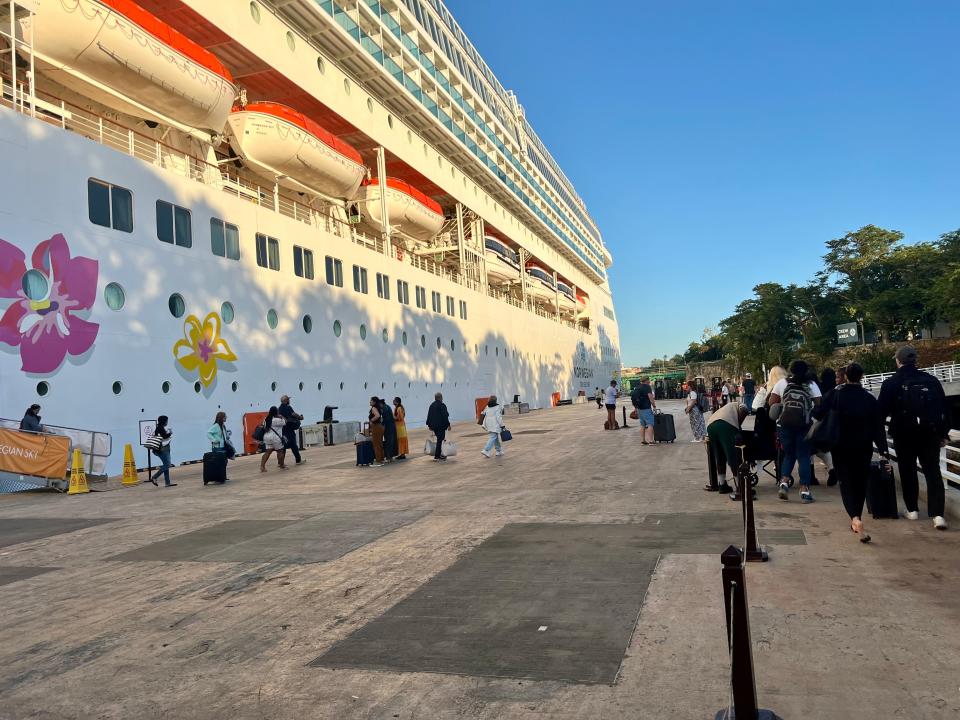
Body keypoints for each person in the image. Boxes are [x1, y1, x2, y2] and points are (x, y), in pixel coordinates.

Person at [878, 345, 949, 530]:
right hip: (929, 432)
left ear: (897, 360)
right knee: (933, 471)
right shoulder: (931, 380)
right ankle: (938, 515)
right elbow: (943, 409)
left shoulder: (891, 382)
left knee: (907, 470)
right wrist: (943, 434)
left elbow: (880, 411)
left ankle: (912, 510)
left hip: (904, 433)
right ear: (915, 360)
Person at [816, 363, 888, 542]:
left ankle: (855, 519)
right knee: (860, 482)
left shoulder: (835, 394)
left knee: (846, 482)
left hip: (840, 446)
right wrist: (883, 450)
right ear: (861, 377)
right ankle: (858, 516)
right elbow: (878, 427)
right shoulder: (869, 399)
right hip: (863, 446)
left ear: (845, 376)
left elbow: (817, 413)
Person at [769, 360, 821, 504]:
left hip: (784, 425)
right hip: (804, 425)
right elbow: (819, 404)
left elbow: (771, 403)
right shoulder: (811, 385)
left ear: (790, 370)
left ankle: (784, 483)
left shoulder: (781, 383)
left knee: (789, 454)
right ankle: (804, 490)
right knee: (803, 456)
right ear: (806, 370)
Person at [706, 402, 749, 494]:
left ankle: (722, 485)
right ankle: (739, 486)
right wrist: (738, 427)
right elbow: (744, 410)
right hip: (725, 424)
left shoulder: (727, 408)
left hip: (711, 425)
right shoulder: (741, 405)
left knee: (719, 455)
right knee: (733, 455)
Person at [206, 411, 233, 484]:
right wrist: (214, 440)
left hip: (223, 446)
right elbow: (208, 433)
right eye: (225, 417)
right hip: (217, 447)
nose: (226, 418)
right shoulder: (216, 426)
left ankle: (222, 476)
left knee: (224, 461)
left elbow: (224, 435)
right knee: (218, 462)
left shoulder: (223, 425)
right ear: (221, 418)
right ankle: (218, 477)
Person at [149, 415, 176, 487]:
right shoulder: (160, 428)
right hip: (163, 449)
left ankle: (167, 482)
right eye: (166, 421)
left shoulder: (159, 428)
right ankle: (154, 477)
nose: (167, 422)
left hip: (163, 449)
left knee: (165, 465)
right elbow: (165, 436)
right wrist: (170, 433)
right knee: (167, 464)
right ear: (164, 421)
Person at [278, 395, 304, 465]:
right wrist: (300, 417)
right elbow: (294, 414)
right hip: (289, 429)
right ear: (286, 401)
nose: (289, 401)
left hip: (282, 430)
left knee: (283, 446)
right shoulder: (288, 407)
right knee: (293, 445)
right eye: (288, 400)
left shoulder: (279, 409)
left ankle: (280, 462)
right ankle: (298, 460)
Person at [260, 406, 287, 472]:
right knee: (280, 451)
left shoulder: (266, 418)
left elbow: (263, 425)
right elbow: (285, 422)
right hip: (275, 438)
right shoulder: (277, 419)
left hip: (267, 437)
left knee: (267, 452)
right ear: (276, 412)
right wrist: (281, 416)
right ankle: (282, 465)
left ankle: (262, 467)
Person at [632, 377, 657, 444]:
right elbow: (650, 397)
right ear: (646, 380)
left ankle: (643, 440)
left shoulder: (637, 387)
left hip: (639, 409)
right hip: (646, 408)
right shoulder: (647, 387)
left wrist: (636, 408)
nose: (649, 381)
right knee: (650, 424)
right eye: (648, 380)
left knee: (642, 425)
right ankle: (651, 441)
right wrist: (654, 406)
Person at [426, 392, 451, 461]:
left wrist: (429, 425)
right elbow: (445, 416)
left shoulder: (431, 405)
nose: (442, 398)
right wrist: (448, 425)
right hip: (441, 426)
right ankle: (437, 456)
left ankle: (439, 454)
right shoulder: (442, 405)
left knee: (440, 439)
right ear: (440, 398)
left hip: (434, 427)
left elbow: (429, 416)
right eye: (442, 397)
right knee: (440, 440)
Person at [380, 397, 397, 462]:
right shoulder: (388, 407)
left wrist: (382, 423)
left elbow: (386, 419)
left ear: (381, 404)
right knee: (391, 442)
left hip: (388, 428)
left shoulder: (384, 408)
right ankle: (391, 457)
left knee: (388, 442)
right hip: (392, 427)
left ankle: (388, 457)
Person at [368, 397, 385, 464]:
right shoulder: (379, 408)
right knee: (380, 443)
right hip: (380, 426)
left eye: (371, 401)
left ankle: (378, 460)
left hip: (376, 427)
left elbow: (377, 416)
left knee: (376, 444)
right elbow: (380, 417)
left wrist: (371, 420)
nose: (370, 402)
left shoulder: (373, 408)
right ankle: (381, 458)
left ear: (374, 402)